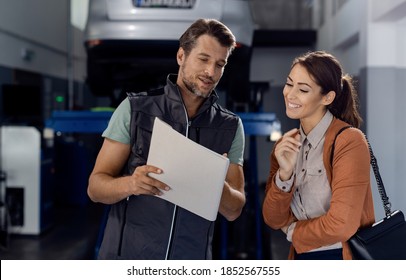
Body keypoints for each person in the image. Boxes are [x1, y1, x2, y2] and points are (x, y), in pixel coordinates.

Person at [87, 18, 246, 260]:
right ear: (181, 56)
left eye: (220, 64)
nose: (210, 72)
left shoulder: (230, 126)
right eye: (203, 59)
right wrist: (131, 184)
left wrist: (216, 184)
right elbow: (95, 188)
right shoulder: (134, 109)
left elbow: (234, 209)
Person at [262, 51, 375, 260]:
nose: (290, 94)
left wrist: (293, 231)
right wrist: (285, 175)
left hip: (340, 257)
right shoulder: (285, 145)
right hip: (300, 257)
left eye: (303, 89)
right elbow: (273, 219)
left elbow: (342, 225)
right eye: (289, 84)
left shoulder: (349, 141)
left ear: (327, 97)